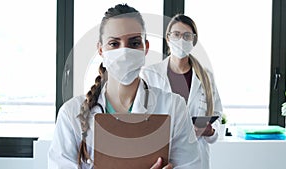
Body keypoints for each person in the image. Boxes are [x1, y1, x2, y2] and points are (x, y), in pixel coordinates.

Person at [48, 4, 201, 169]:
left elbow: (190, 165)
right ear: (100, 50)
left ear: (146, 48)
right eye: (114, 44)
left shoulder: (173, 107)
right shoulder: (71, 114)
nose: (125, 52)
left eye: (134, 43)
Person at [140, 14, 223, 169]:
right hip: (162, 156)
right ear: (168, 38)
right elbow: (141, 117)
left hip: (196, 156)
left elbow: (217, 114)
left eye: (187, 36)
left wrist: (210, 131)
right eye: (176, 35)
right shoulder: (150, 74)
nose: (181, 40)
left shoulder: (205, 77)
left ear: (194, 41)